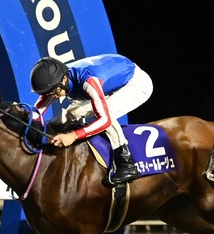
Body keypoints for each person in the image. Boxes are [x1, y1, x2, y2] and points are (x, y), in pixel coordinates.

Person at [29, 54, 153, 186]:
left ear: (64, 79)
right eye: (49, 92)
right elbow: (39, 109)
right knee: (71, 114)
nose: (53, 95)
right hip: (110, 83)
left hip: (135, 84)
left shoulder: (87, 80)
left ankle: (127, 164)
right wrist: (26, 115)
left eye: (56, 91)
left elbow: (104, 120)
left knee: (106, 113)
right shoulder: (57, 80)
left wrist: (73, 136)